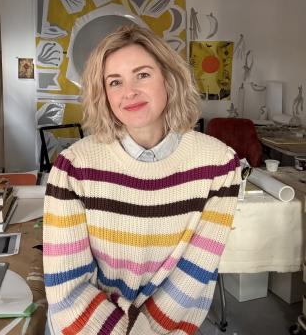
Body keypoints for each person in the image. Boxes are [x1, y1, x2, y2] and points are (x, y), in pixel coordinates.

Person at [43, 24, 241, 334]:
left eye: (143, 75)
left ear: (169, 79)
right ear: (104, 94)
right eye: (115, 82)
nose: (129, 92)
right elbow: (66, 286)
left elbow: (195, 272)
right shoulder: (73, 168)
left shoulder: (219, 165)